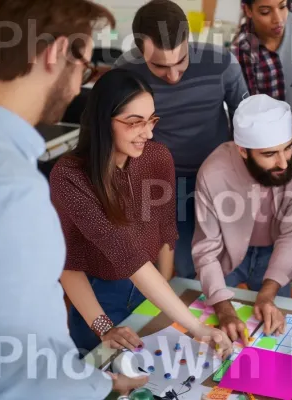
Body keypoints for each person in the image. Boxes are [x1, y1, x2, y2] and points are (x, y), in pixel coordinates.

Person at [0, 0, 149, 398]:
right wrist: (98, 390)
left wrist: (94, 382)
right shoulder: (11, 188)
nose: (77, 89)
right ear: (55, 53)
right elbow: (20, 371)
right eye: (85, 69)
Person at [49, 69, 233, 357]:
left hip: (154, 288)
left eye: (151, 120)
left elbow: (165, 233)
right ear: (103, 121)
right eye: (135, 123)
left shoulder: (157, 158)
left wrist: (165, 291)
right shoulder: (70, 176)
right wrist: (104, 327)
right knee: (101, 375)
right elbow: (71, 266)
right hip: (100, 295)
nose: (147, 133)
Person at [115, 0, 249, 279]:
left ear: (188, 41)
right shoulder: (125, 73)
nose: (173, 76)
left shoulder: (222, 63)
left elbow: (244, 120)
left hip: (215, 180)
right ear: (140, 52)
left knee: (205, 266)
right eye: (160, 67)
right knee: (166, 265)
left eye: (181, 61)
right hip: (158, 182)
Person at [192, 94, 292, 343]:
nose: (283, 162)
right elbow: (207, 249)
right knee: (217, 331)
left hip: (277, 252)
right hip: (227, 255)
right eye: (270, 154)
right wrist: (224, 309)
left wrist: (268, 294)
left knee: (275, 333)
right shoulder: (212, 172)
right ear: (243, 151)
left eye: (287, 147)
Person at [230, 0, 292, 139]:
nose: (278, 19)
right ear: (248, 10)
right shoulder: (243, 50)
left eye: (282, 6)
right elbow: (250, 111)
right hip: (268, 136)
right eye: (265, 12)